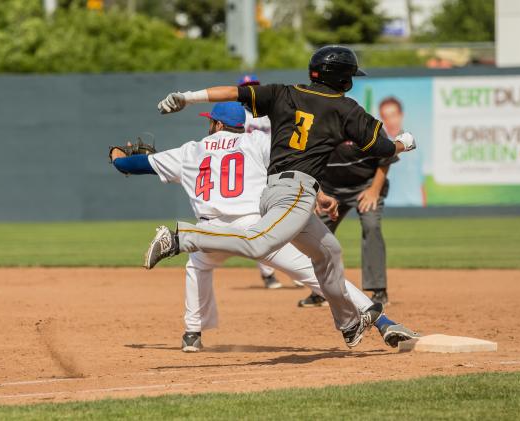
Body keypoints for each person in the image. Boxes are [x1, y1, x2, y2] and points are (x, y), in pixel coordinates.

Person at [143, 45, 417, 349]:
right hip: (296, 194)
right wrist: (403, 143)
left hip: (276, 191)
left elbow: (235, 93)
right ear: (342, 79)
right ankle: (182, 238)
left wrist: (188, 97)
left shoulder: (284, 93)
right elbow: (382, 148)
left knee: (329, 254)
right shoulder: (344, 108)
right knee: (258, 243)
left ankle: (350, 324)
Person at [297, 100, 400, 308]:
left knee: (371, 225)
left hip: (366, 185)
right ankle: (320, 291)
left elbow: (385, 159)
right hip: (331, 188)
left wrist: (373, 191)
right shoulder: (318, 129)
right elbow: (309, 165)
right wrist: (319, 193)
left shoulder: (367, 126)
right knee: (317, 232)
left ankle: (378, 290)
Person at [238, 74, 303, 290]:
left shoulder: (268, 115)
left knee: (286, 220)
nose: (251, 90)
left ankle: (296, 270)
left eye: (253, 86)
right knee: (260, 222)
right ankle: (268, 274)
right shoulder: (238, 116)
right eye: (246, 87)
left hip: (273, 171)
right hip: (251, 175)